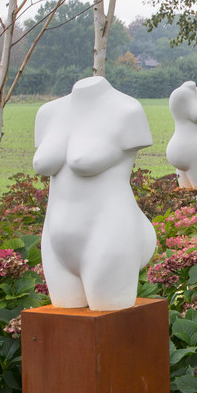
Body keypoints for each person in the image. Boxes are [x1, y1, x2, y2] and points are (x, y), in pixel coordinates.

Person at [33, 76, 157, 311]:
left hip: (109, 235)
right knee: (64, 327)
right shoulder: (48, 112)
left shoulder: (127, 110)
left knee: (111, 325)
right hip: (54, 239)